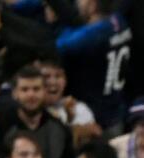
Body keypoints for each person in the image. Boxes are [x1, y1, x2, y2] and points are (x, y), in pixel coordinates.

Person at [55, 0, 134, 133]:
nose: (77, 3)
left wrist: (60, 25)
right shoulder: (120, 21)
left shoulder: (95, 35)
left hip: (94, 118)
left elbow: (57, 46)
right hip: (115, 108)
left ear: (92, 4)